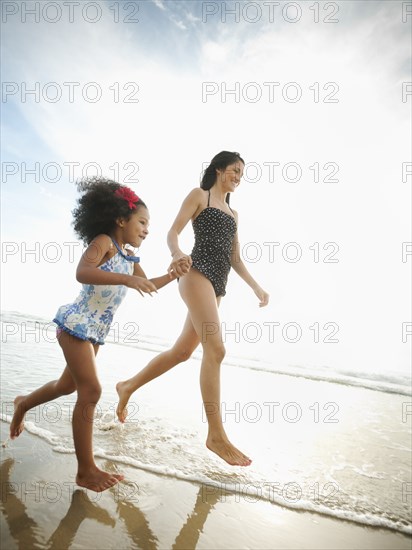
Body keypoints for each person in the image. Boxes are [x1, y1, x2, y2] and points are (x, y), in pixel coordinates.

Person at [9, 178, 188, 492]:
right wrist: (127, 280)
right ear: (121, 220)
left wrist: (173, 274)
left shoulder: (131, 257)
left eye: (149, 225)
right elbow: (82, 272)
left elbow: (150, 285)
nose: (147, 229)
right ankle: (85, 470)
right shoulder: (103, 241)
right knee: (90, 391)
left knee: (65, 386)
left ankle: (23, 403)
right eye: (142, 222)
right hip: (75, 324)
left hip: (94, 334)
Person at [116, 152, 269, 467]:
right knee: (217, 348)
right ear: (219, 169)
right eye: (235, 170)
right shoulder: (200, 196)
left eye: (242, 173)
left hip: (218, 285)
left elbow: (235, 258)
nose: (239, 177)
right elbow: (173, 231)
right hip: (194, 274)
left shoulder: (234, 213)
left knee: (182, 352)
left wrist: (256, 286)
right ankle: (216, 435)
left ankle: (127, 386)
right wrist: (176, 253)